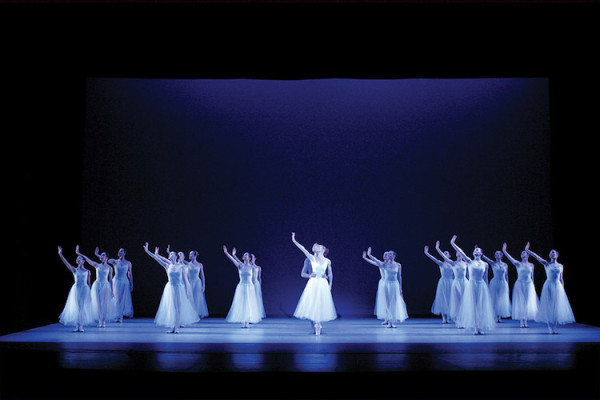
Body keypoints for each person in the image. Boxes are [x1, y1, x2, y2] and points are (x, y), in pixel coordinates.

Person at [143, 243, 199, 333]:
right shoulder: (167, 266)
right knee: (172, 308)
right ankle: (173, 327)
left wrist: (187, 291)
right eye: (170, 254)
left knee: (178, 308)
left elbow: (185, 280)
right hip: (170, 288)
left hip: (179, 288)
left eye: (172, 254)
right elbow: (155, 257)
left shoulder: (181, 267)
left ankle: (177, 327)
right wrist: (147, 250)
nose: (170, 255)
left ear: (176, 257)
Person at [291, 232, 337, 335]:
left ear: (323, 250)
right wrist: (294, 239)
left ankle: (318, 324)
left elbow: (331, 274)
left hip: (323, 284)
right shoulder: (312, 258)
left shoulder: (327, 261)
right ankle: (316, 324)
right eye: (316, 246)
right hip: (313, 283)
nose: (318, 247)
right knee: (313, 304)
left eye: (320, 246)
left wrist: (330, 286)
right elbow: (302, 249)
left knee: (320, 304)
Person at [526, 243, 575, 334]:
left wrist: (562, 289)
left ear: (557, 255)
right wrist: (528, 250)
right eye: (551, 253)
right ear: (549, 255)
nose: (552, 254)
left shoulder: (560, 266)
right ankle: (549, 328)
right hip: (548, 285)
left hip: (558, 287)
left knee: (557, 306)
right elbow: (536, 256)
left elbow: (561, 279)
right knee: (548, 305)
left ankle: (554, 328)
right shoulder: (546, 264)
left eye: (554, 252)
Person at [451, 236, 496, 335]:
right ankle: (476, 327)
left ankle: (480, 326)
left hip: (481, 285)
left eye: (478, 250)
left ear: (481, 253)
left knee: (481, 306)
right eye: (475, 250)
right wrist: (453, 243)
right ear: (473, 253)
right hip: (472, 285)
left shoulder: (485, 264)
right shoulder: (469, 262)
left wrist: (487, 289)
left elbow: (486, 277)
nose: (476, 251)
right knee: (474, 306)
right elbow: (461, 252)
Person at [363, 247, 408, 327]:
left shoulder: (398, 265)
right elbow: (375, 260)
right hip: (386, 285)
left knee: (393, 303)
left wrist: (400, 288)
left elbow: (399, 276)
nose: (388, 255)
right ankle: (389, 321)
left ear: (394, 256)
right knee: (387, 303)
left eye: (390, 254)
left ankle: (392, 322)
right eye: (388, 254)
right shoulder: (384, 265)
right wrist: (369, 255)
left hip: (395, 285)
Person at [77, 246, 117, 328]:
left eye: (103, 255)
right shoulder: (97, 265)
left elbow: (111, 280)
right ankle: (99, 321)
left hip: (105, 286)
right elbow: (87, 259)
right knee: (98, 304)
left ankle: (104, 321)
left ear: (106, 257)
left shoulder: (110, 268)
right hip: (97, 285)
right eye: (101, 255)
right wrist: (78, 253)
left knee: (104, 304)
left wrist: (112, 291)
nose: (101, 256)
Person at [57, 246, 94, 332]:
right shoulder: (74, 270)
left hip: (85, 289)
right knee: (77, 307)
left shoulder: (88, 271)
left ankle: (80, 325)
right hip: (76, 289)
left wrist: (91, 293)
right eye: (77, 258)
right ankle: (77, 325)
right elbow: (66, 263)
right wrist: (60, 254)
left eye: (80, 258)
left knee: (82, 307)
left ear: (83, 261)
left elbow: (89, 283)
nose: (78, 259)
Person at [223, 246, 262, 328]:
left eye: (246, 255)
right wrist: (227, 253)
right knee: (243, 303)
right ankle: (243, 321)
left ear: (249, 258)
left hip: (250, 287)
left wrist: (255, 288)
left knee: (249, 303)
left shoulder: (252, 267)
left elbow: (254, 279)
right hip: (242, 287)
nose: (244, 256)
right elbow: (232, 259)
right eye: (244, 255)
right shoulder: (240, 266)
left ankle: (247, 321)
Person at [503, 242, 539, 328]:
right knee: (521, 302)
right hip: (520, 284)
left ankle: (525, 321)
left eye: (524, 252)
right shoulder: (518, 264)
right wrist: (504, 251)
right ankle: (521, 321)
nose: (522, 254)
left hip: (529, 284)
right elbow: (510, 258)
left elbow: (532, 276)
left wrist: (533, 286)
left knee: (527, 302)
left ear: (528, 255)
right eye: (522, 253)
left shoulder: (531, 265)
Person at [434, 241, 468, 326]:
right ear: (456, 255)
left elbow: (468, 274)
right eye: (458, 253)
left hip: (464, 283)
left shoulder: (466, 263)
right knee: (456, 301)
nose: (459, 254)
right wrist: (437, 248)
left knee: (464, 301)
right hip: (456, 283)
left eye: (461, 253)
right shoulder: (453, 263)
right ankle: (456, 318)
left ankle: (464, 318)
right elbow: (442, 256)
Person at [424, 244, 454, 323]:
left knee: (450, 299)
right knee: (443, 299)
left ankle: (449, 316)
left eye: (446, 253)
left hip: (451, 282)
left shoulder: (452, 264)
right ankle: (444, 317)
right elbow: (433, 258)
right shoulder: (441, 263)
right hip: (443, 282)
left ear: (449, 256)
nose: (445, 254)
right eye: (444, 253)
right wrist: (427, 253)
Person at [104, 248, 134, 323]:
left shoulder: (128, 263)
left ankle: (120, 317)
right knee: (116, 298)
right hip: (116, 281)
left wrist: (131, 284)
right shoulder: (115, 261)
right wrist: (100, 255)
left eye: (121, 251)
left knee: (122, 299)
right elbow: (107, 260)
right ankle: (116, 315)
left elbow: (130, 274)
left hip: (125, 282)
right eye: (119, 251)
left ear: (124, 253)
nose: (119, 252)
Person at [482, 250, 512, 323]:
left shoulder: (505, 265)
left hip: (503, 283)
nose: (497, 255)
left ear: (501, 256)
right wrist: (482, 254)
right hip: (495, 282)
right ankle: (494, 316)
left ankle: (499, 317)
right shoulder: (493, 263)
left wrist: (507, 284)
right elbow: (486, 259)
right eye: (496, 254)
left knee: (501, 299)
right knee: (495, 299)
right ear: (495, 256)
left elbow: (506, 275)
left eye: (499, 254)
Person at [362, 250, 389, 324]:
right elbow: (373, 262)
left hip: (389, 283)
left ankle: (389, 318)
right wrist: (365, 258)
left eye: (386, 255)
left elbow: (375, 260)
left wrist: (369, 255)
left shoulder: (391, 264)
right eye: (384, 254)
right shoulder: (381, 264)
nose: (385, 256)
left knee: (389, 302)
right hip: (383, 283)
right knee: (384, 302)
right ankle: (386, 319)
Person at [184, 250, 209, 319]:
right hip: (190, 282)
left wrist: (204, 285)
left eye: (191, 254)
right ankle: (190, 313)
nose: (189, 256)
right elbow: (179, 260)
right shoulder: (187, 263)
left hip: (197, 282)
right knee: (190, 298)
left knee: (197, 298)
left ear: (195, 256)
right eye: (189, 254)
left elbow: (202, 275)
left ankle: (196, 314)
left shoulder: (200, 265)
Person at [250, 254, 266, 319]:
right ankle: (251, 314)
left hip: (256, 284)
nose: (252, 258)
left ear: (255, 258)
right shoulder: (249, 266)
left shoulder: (258, 267)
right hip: (250, 283)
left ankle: (257, 314)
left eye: (253, 257)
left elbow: (259, 278)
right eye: (251, 257)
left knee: (256, 299)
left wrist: (259, 285)